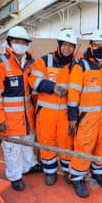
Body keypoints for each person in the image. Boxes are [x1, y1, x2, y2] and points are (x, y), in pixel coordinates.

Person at [67, 29, 102, 198]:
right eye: (97, 44)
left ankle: (98, 172)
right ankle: (77, 177)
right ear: (91, 46)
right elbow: (73, 94)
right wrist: (72, 117)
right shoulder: (81, 66)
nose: (101, 47)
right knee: (83, 147)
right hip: (87, 118)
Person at [0, 26, 42, 191]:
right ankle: (15, 175)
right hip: (9, 121)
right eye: (17, 42)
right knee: (12, 149)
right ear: (10, 43)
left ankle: (29, 166)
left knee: (28, 144)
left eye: (24, 42)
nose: (21, 45)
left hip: (27, 117)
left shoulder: (32, 63)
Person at [28, 28, 77, 186]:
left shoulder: (76, 66)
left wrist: (74, 117)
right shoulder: (44, 61)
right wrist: (52, 87)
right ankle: (50, 172)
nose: (67, 48)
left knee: (67, 143)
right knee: (46, 143)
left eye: (71, 45)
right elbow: (33, 80)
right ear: (59, 44)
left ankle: (68, 171)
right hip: (45, 113)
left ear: (74, 48)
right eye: (65, 44)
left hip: (65, 113)